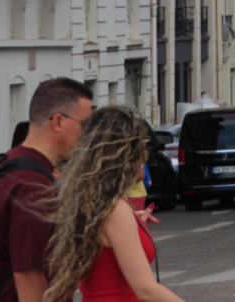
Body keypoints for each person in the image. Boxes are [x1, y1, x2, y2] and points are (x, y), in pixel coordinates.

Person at [44, 105, 185, 302]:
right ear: (125, 155)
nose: (145, 161)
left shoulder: (97, 205)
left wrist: (133, 222)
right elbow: (145, 289)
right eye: (142, 150)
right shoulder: (115, 210)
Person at [0, 77, 93, 302]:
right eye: (84, 125)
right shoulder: (32, 184)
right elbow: (28, 274)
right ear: (58, 122)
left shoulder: (9, 164)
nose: (88, 134)